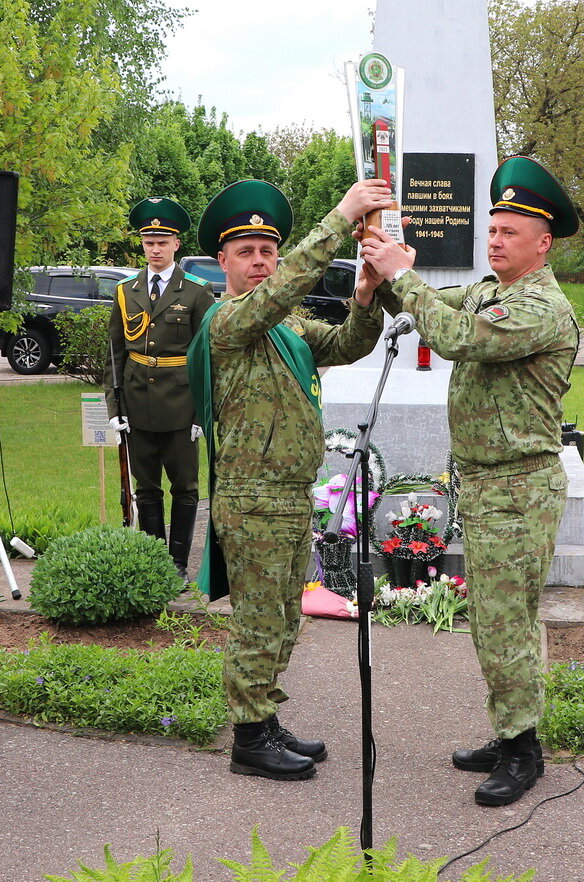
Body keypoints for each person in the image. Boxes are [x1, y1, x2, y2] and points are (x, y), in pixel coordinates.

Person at [361, 156, 580, 807]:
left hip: (520, 488)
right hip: (486, 487)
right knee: (489, 619)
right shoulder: (494, 291)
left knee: (507, 621)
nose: (494, 239)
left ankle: (524, 752)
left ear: (542, 243)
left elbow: (454, 335)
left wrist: (403, 274)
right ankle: (510, 729)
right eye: (492, 228)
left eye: (509, 231)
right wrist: (385, 268)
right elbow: (436, 302)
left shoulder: (543, 306)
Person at [187, 177, 393, 780]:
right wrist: (338, 220)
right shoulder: (228, 322)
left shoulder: (287, 328)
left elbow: (352, 343)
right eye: (245, 253)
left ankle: (265, 718)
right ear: (221, 261)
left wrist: (365, 295)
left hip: (286, 496)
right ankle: (248, 739)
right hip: (251, 499)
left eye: (267, 252)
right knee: (256, 620)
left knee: (282, 616)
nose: (258, 262)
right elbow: (275, 298)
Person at [106, 197, 216, 579]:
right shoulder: (125, 290)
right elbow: (115, 354)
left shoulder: (197, 292)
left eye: (162, 241)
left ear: (176, 245)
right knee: (146, 486)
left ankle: (178, 564)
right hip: (137, 402)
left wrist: (203, 412)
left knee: (184, 487)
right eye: (149, 241)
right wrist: (115, 408)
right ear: (142, 243)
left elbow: (206, 357)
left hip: (182, 404)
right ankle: (155, 564)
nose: (155, 248)